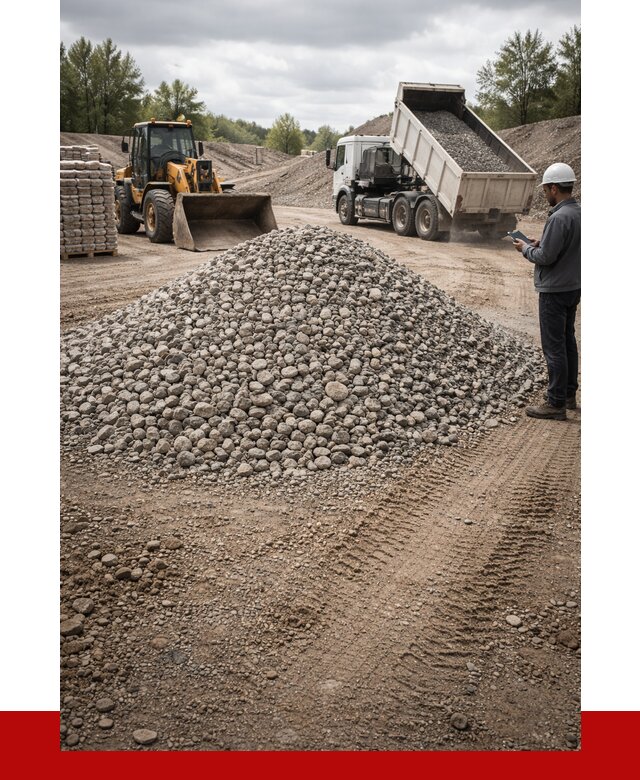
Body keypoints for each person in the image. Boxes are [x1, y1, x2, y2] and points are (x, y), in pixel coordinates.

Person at [512, 162, 581, 420]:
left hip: (554, 290)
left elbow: (545, 257)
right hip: (573, 286)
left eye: (545, 190)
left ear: (554, 188)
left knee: (553, 347)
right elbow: (563, 246)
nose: (545, 195)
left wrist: (526, 248)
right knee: (567, 341)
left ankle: (555, 403)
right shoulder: (579, 212)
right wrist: (542, 241)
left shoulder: (559, 216)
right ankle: (569, 395)